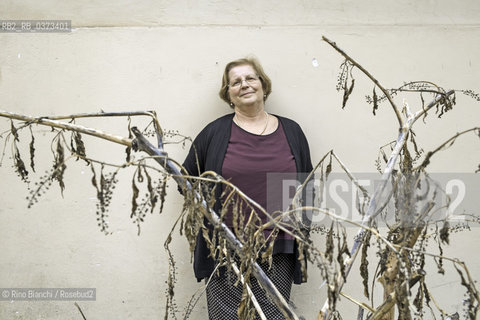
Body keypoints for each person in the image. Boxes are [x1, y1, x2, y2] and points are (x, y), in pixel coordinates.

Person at [182, 57, 313, 319]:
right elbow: (185, 180)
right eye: (236, 82)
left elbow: (307, 184)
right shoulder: (215, 133)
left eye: (250, 78)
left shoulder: (291, 131)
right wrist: (210, 218)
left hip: (278, 245)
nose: (244, 85)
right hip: (225, 248)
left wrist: (301, 228)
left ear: (263, 85)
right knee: (227, 316)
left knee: (272, 315)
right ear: (228, 94)